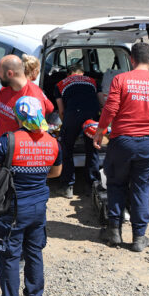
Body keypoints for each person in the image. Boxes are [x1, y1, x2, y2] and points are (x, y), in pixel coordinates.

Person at [93, 42, 149, 252]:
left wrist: (100, 131)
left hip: (122, 141)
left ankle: (114, 231)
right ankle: (139, 237)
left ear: (131, 59)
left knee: (116, 184)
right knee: (142, 188)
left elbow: (110, 108)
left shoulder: (120, 79)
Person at [0, 96, 61, 296]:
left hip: (13, 208)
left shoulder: (9, 140)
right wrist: (34, 174)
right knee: (34, 252)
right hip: (39, 206)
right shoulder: (53, 141)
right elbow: (56, 173)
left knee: (9, 256)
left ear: (18, 116)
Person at [0, 55, 55, 257]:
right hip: (2, 152)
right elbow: (0, 122)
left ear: (9, 73)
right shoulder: (4, 92)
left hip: (20, 159)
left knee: (14, 206)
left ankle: (14, 251)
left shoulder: (34, 97)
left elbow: (39, 132)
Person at [54, 64, 101, 198]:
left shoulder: (60, 84)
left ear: (68, 74)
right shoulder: (93, 81)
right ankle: (92, 185)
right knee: (92, 149)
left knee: (66, 149)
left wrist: (66, 126)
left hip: (73, 115)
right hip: (92, 115)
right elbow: (102, 102)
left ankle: (68, 186)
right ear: (82, 73)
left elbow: (61, 110)